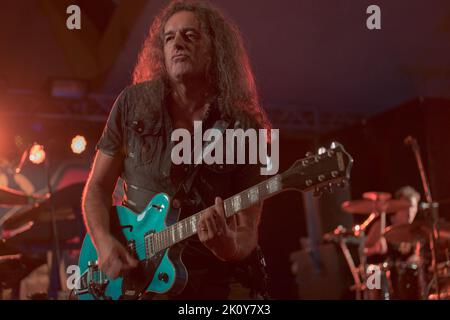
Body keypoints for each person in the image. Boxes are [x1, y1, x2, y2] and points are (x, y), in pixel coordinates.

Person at [82, 0, 271, 299]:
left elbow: (247, 232)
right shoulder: (132, 104)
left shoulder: (244, 128)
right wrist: (104, 241)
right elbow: (98, 187)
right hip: (140, 280)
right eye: (169, 38)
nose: (177, 44)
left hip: (212, 282)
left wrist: (226, 246)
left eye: (190, 35)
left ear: (215, 49)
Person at [364, 186, 421, 257]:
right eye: (405, 207)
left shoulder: (417, 231)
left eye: (413, 207)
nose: (409, 212)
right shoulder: (381, 225)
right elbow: (364, 251)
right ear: (396, 206)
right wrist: (375, 249)